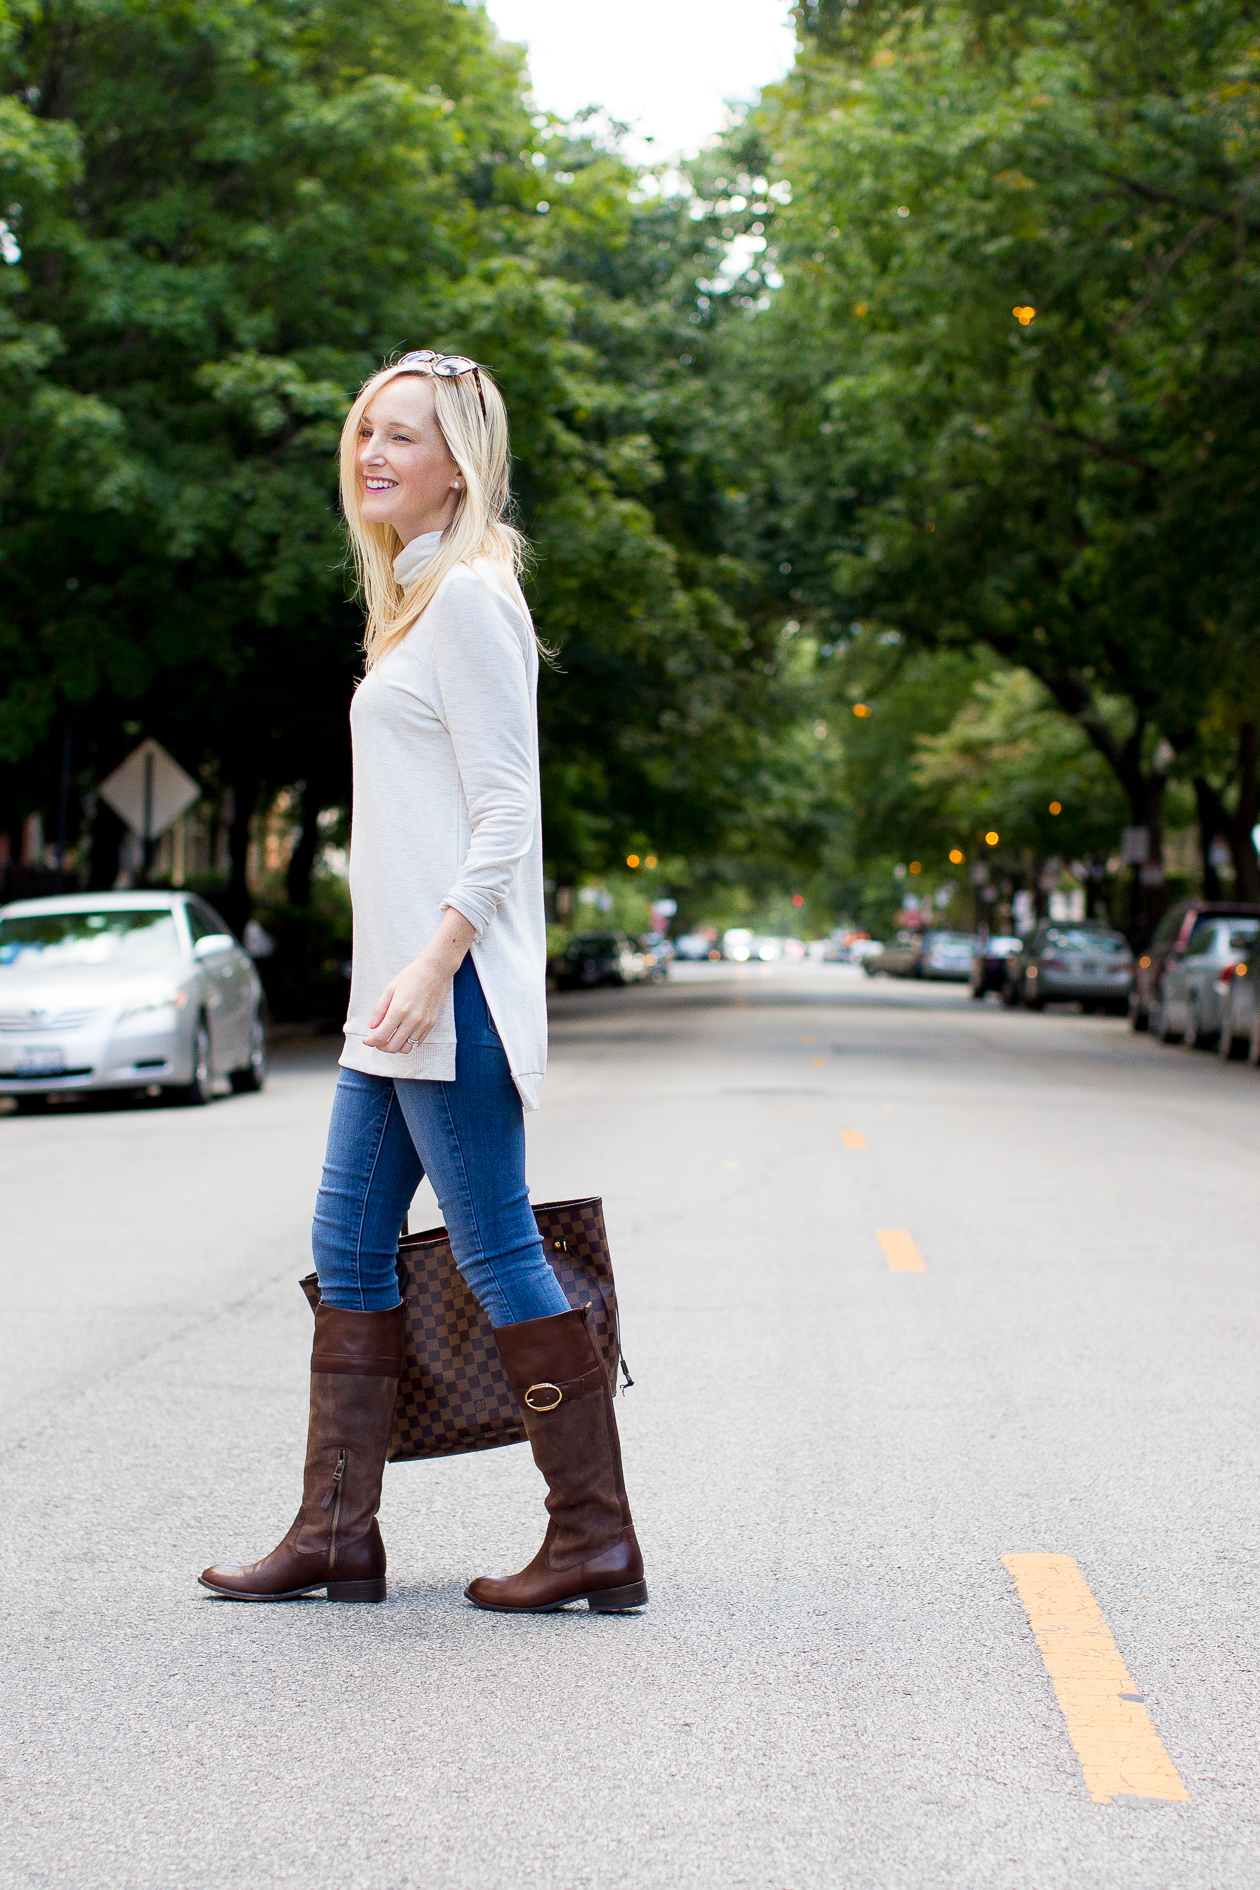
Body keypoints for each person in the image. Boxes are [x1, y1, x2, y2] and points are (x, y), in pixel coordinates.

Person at [199, 350, 646, 1615]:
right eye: (365, 435)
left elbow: (507, 813)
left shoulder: (469, 598)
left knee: (501, 1250)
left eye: (403, 437)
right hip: (391, 1002)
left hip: (443, 995)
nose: (373, 455)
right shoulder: (413, 594)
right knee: (348, 1242)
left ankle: (593, 1538)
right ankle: (338, 1531)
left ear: (462, 460)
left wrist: (437, 956)